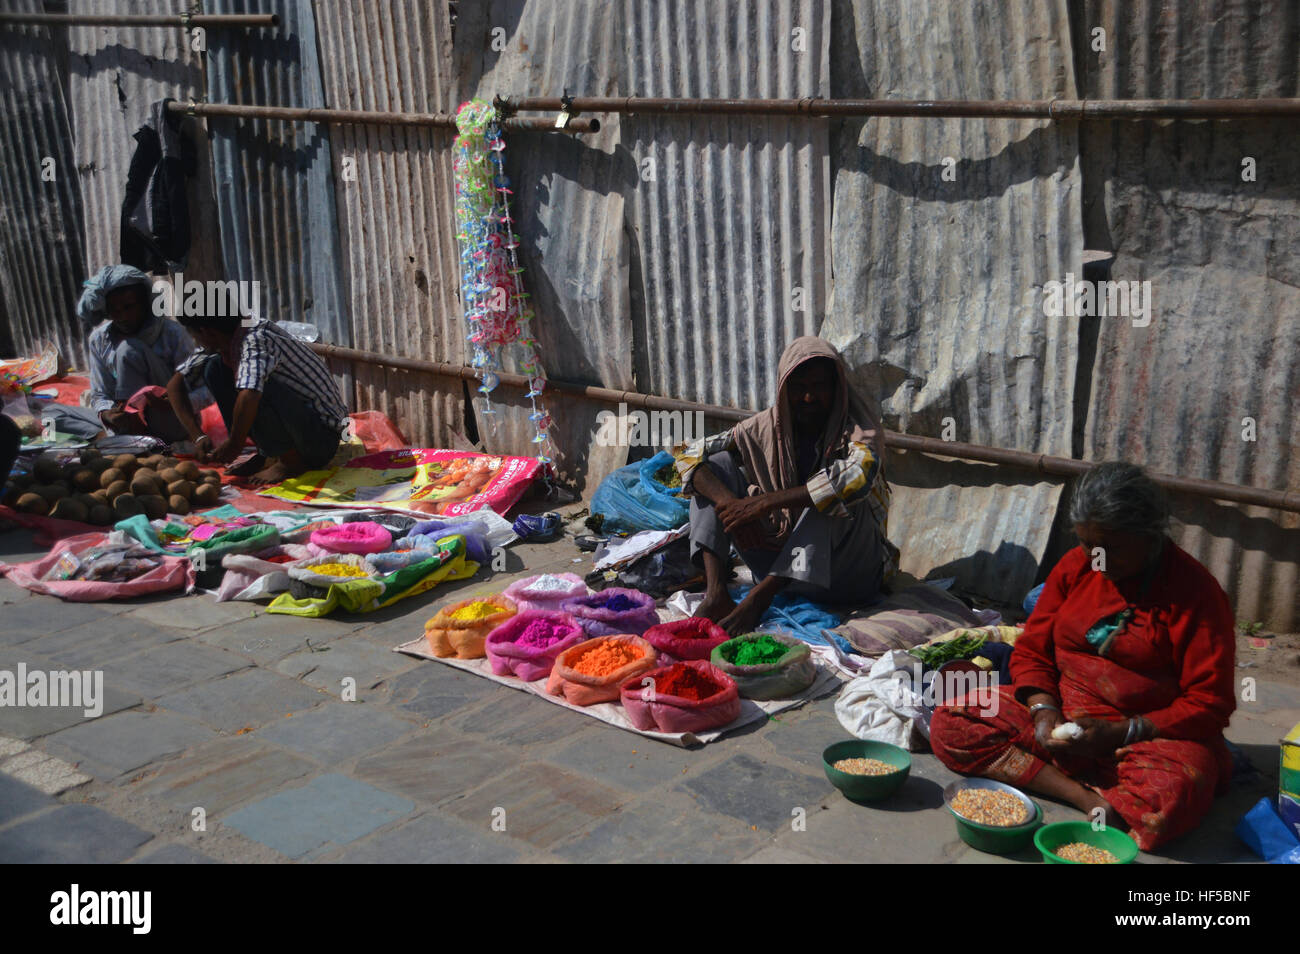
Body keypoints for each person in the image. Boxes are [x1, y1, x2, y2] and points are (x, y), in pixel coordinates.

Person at [929, 462, 1237, 850]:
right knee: (953, 720)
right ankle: (1087, 798)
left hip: (1142, 734)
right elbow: (1033, 648)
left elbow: (1210, 702)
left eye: (1111, 549)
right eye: (1088, 545)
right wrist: (1042, 708)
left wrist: (1123, 731)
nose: (1098, 560)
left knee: (1172, 795)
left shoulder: (1196, 594)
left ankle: (1063, 772)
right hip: (1063, 710)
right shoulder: (1077, 566)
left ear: (1150, 535)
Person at [673, 336, 898, 635]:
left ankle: (759, 599)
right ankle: (716, 593)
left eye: (819, 387)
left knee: (831, 497)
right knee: (712, 470)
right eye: (799, 388)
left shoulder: (858, 432)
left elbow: (856, 479)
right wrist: (733, 508)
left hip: (846, 576)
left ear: (836, 388)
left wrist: (764, 503)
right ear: (783, 388)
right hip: (783, 564)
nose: (808, 398)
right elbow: (686, 455)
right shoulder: (764, 427)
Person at [166, 314, 347, 485]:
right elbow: (175, 385)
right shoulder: (224, 338)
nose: (196, 342)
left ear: (206, 332)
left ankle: (290, 462)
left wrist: (235, 444)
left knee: (256, 387)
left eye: (195, 336)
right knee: (215, 368)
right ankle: (268, 454)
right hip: (299, 426)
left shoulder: (256, 339)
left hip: (321, 438)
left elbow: (250, 395)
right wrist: (198, 436)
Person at [68, 264, 194, 440]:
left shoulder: (172, 334)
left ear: (145, 304)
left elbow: (201, 389)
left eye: (129, 307)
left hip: (170, 420)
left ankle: (133, 438)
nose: (122, 317)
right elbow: (100, 393)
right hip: (123, 423)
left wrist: (173, 400)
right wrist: (106, 414)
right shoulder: (99, 339)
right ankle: (117, 434)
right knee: (52, 413)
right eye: (115, 310)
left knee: (128, 349)